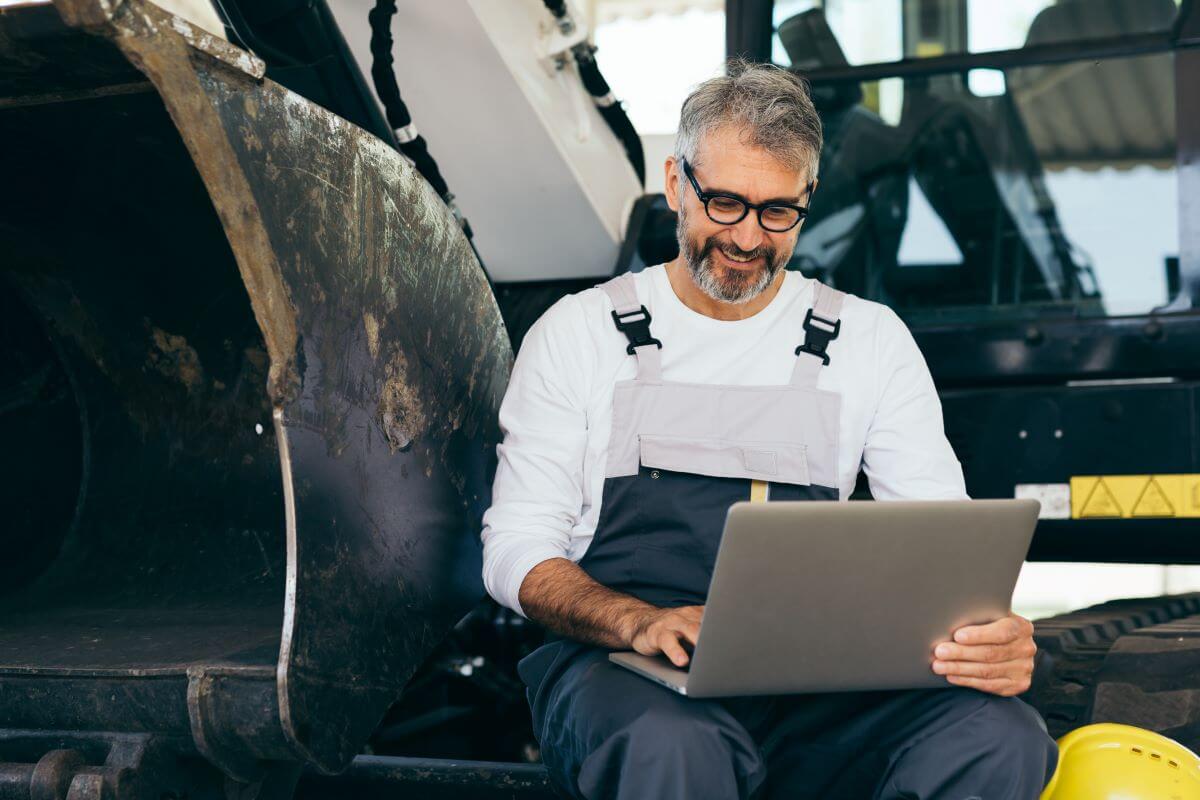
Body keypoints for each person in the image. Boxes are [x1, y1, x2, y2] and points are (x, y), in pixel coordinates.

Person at [481, 59, 1056, 800]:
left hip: (820, 685)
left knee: (998, 738)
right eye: (724, 203)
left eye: (777, 211)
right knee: (670, 748)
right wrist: (635, 621)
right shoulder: (580, 333)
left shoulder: (868, 340)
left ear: (808, 198)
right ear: (675, 184)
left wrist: (991, 636)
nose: (748, 238)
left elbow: (940, 548)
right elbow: (516, 548)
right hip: (623, 677)